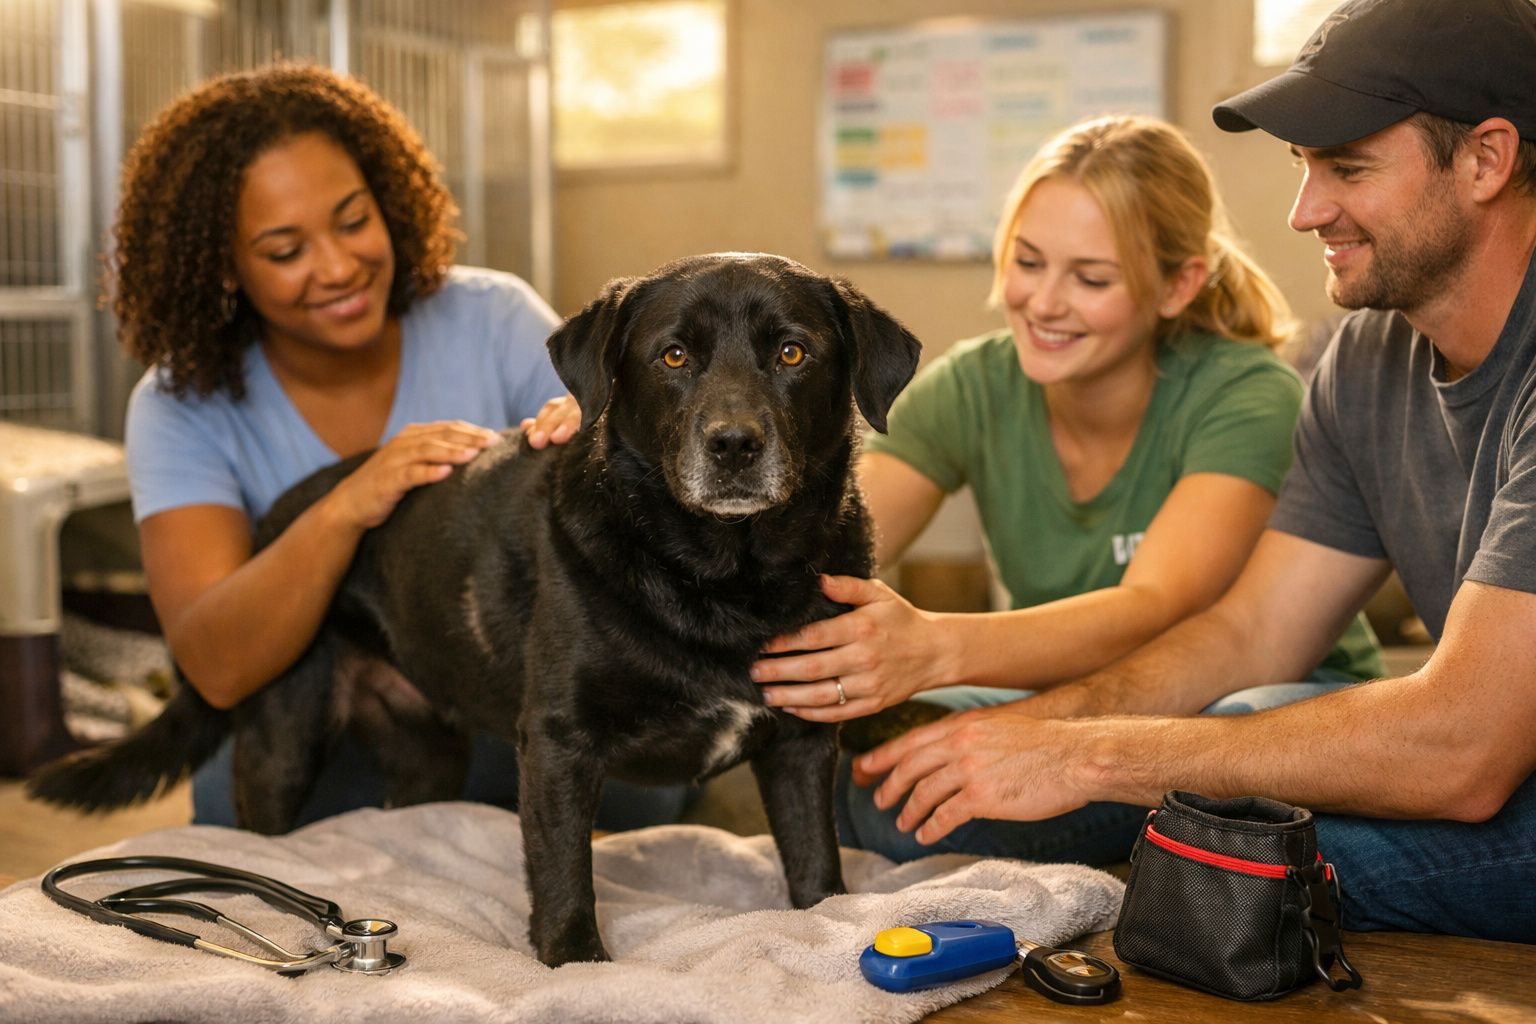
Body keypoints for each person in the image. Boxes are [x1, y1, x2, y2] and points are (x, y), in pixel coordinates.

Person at [840, 0, 1536, 942]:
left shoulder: (1247, 387)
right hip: (1460, 750)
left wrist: (1094, 763)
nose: (1304, 212)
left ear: (1487, 160)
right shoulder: (1367, 360)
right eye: (1304, 169)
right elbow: (1251, 633)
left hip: (1490, 759)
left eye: (1348, 168)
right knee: (1219, 762)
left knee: (1229, 852)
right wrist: (1048, 732)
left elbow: (1463, 744)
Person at [744, 113, 1382, 865]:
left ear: (1179, 284)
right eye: (1028, 261)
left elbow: (1156, 606)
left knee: (914, 812)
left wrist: (937, 648)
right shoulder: (975, 384)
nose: (1044, 303)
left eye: (1091, 278)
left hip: (1239, 702)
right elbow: (818, 535)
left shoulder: (1245, 394)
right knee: (867, 774)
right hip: (1068, 698)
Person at [115, 63, 680, 830]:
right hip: (337, 699)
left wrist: (598, 433)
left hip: (514, 684)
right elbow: (217, 670)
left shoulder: (492, 317)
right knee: (225, 802)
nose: (339, 267)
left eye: (353, 221)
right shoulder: (179, 406)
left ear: (388, 199)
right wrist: (347, 505)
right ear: (222, 267)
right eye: (286, 252)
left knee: (654, 779)